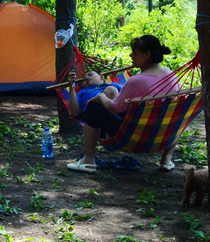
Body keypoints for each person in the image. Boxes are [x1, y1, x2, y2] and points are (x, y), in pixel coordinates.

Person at [71, 35, 180, 173]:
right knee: (178, 112)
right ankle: (166, 159)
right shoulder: (172, 76)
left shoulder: (136, 81)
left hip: (136, 137)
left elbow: (114, 108)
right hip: (164, 135)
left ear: (147, 54)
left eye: (135, 52)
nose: (130, 55)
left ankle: (88, 160)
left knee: (93, 107)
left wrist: (100, 97)